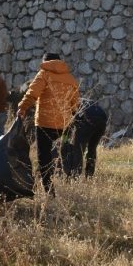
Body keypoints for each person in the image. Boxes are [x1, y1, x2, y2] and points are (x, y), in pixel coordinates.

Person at [17, 52, 80, 195]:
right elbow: (75, 104)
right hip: (63, 124)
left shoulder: (44, 73)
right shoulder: (70, 78)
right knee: (57, 154)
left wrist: (22, 107)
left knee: (44, 157)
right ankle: (59, 180)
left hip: (45, 124)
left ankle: (49, 191)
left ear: (45, 61)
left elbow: (32, 93)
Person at [62, 98, 108, 178]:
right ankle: (89, 174)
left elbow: (67, 125)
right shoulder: (82, 100)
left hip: (88, 120)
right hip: (102, 121)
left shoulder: (69, 104)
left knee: (78, 149)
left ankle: (74, 176)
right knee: (92, 148)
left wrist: (64, 141)